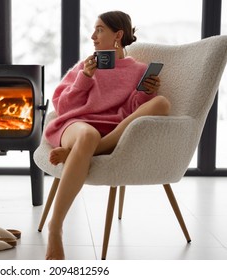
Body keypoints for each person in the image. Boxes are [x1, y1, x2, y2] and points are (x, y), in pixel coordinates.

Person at [43, 11, 171, 260]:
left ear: (118, 35)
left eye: (99, 29)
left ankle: (82, 152)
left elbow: (131, 114)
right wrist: (85, 78)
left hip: (113, 131)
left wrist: (146, 93)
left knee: (162, 103)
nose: (93, 36)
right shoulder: (85, 66)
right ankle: (55, 228)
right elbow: (62, 106)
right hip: (76, 126)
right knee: (87, 136)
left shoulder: (138, 70)